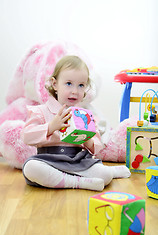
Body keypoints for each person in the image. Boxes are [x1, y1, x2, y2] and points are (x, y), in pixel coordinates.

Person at [21, 55, 131, 191]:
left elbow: (96, 146)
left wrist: (88, 140)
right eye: (68, 83)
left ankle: (110, 172)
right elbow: (26, 136)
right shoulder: (41, 111)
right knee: (30, 168)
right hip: (49, 160)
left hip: (78, 161)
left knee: (104, 174)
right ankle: (78, 182)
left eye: (81, 85)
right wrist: (50, 127)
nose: (75, 91)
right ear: (55, 84)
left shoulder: (85, 115)